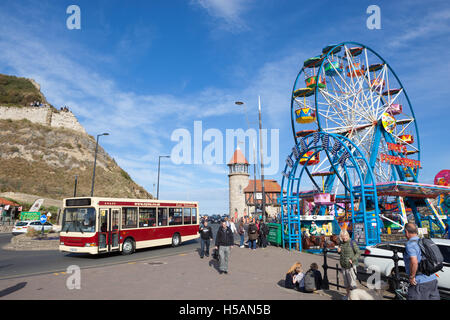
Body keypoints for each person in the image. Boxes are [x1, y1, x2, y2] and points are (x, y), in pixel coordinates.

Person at [403, 222, 440, 300]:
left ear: (406, 232)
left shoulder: (410, 244)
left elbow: (414, 261)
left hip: (420, 282)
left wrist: (412, 277)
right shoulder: (423, 241)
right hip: (432, 279)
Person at [337, 229, 360, 300]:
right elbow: (341, 253)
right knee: (346, 283)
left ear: (348, 235)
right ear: (341, 237)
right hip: (344, 265)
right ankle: (347, 295)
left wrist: (352, 259)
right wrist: (339, 251)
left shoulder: (352, 242)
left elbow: (358, 252)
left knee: (352, 283)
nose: (344, 238)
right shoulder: (341, 243)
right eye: (343, 236)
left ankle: (354, 297)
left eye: (346, 236)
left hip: (351, 266)